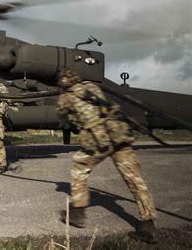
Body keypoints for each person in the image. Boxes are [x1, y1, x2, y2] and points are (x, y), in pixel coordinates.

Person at [56, 69, 158, 243]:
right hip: (118, 134)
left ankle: (78, 213)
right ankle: (148, 226)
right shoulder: (91, 87)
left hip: (98, 140)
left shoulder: (65, 97)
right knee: (134, 179)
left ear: (63, 82)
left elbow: (62, 117)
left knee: (79, 168)